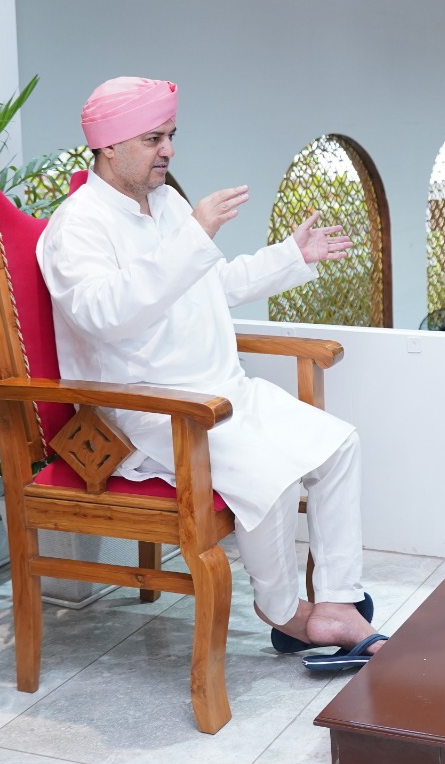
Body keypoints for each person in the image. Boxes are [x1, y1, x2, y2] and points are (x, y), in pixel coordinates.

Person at [37, 76, 386, 668]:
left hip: (225, 394)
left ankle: (335, 602)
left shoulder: (167, 204)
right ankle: (283, 613)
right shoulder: (77, 227)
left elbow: (209, 285)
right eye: (153, 139)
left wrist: (290, 257)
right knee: (273, 477)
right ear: (109, 145)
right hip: (156, 413)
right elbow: (104, 315)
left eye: (170, 135)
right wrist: (194, 235)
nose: (168, 150)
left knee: (339, 446)